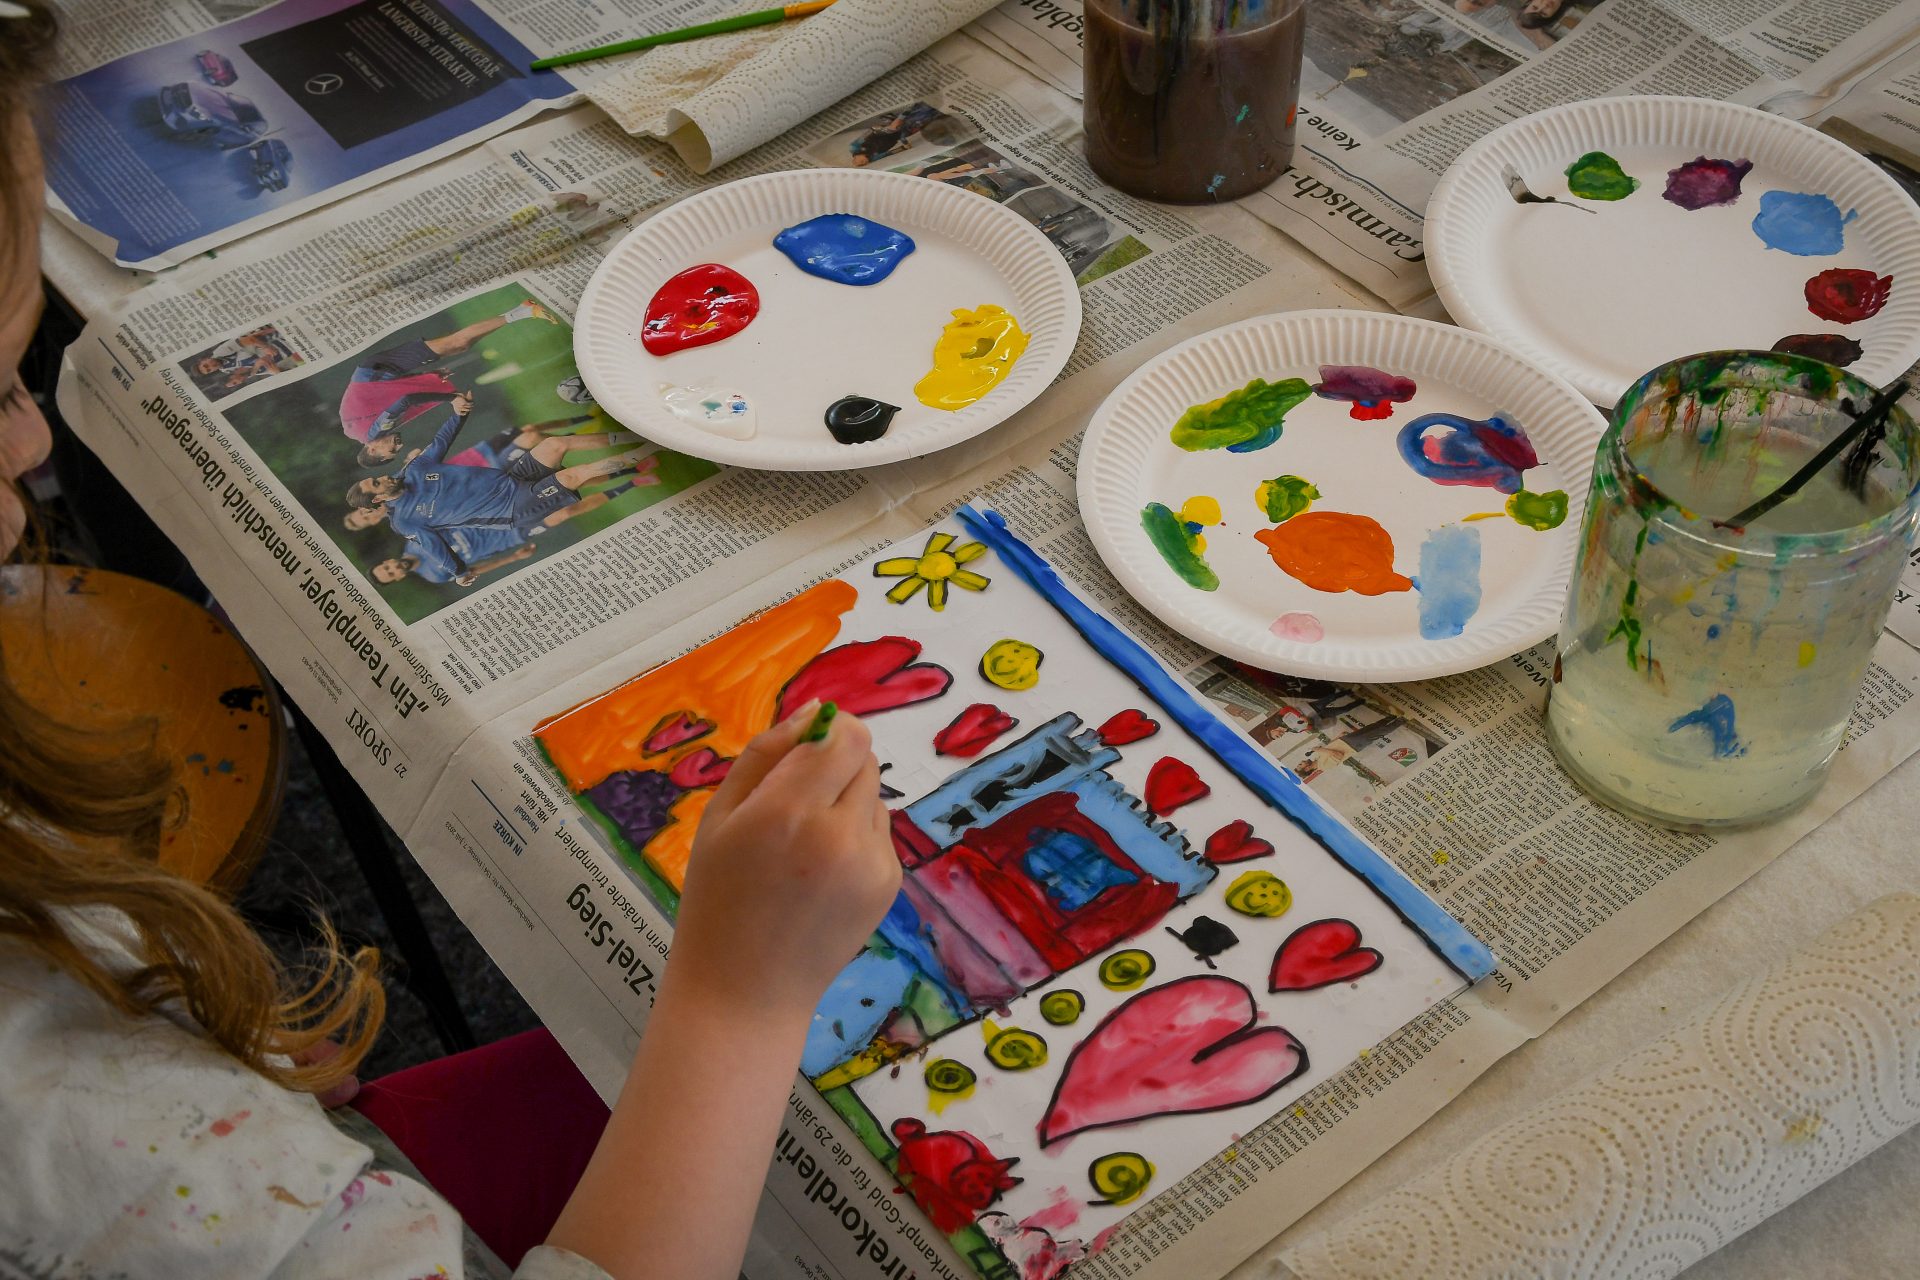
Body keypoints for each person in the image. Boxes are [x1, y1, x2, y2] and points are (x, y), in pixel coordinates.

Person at [0, 7, 902, 1277]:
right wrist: (736, 1002)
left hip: (275, 1133)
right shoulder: (76, 1146)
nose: (38, 445)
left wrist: (212, 1051)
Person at [345, 395, 654, 541]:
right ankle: (645, 454)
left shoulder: (404, 478)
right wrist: (459, 572)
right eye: (363, 519)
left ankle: (631, 433)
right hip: (508, 508)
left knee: (549, 443)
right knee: (572, 479)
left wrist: (455, 412)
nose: (365, 515)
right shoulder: (407, 524)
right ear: (374, 512)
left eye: (358, 513)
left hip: (499, 474)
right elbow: (438, 542)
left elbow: (427, 452)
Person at [337, 301, 556, 441]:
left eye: (391, 451)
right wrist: (429, 378)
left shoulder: (374, 434)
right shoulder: (369, 431)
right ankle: (520, 310)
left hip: (377, 370)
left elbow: (404, 399)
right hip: (378, 374)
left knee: (455, 342)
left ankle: (526, 310)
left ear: (373, 451)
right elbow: (388, 394)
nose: (397, 446)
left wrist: (450, 398)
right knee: (461, 346)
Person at [368, 482, 647, 586]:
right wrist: (514, 558)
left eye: (387, 566)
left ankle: (621, 470)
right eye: (391, 574)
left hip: (499, 514)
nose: (393, 568)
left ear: (388, 561)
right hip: (511, 536)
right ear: (399, 578)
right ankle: (630, 483)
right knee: (564, 513)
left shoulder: (414, 539)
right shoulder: (436, 575)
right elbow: (477, 569)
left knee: (558, 487)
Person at [356, 412, 601, 470]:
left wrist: (412, 458)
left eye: (390, 451)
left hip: (480, 449)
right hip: (489, 464)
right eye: (393, 455)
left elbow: (420, 451)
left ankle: (583, 419)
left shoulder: (379, 427)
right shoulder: (412, 478)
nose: (396, 449)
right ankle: (575, 438)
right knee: (532, 438)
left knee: (529, 429)